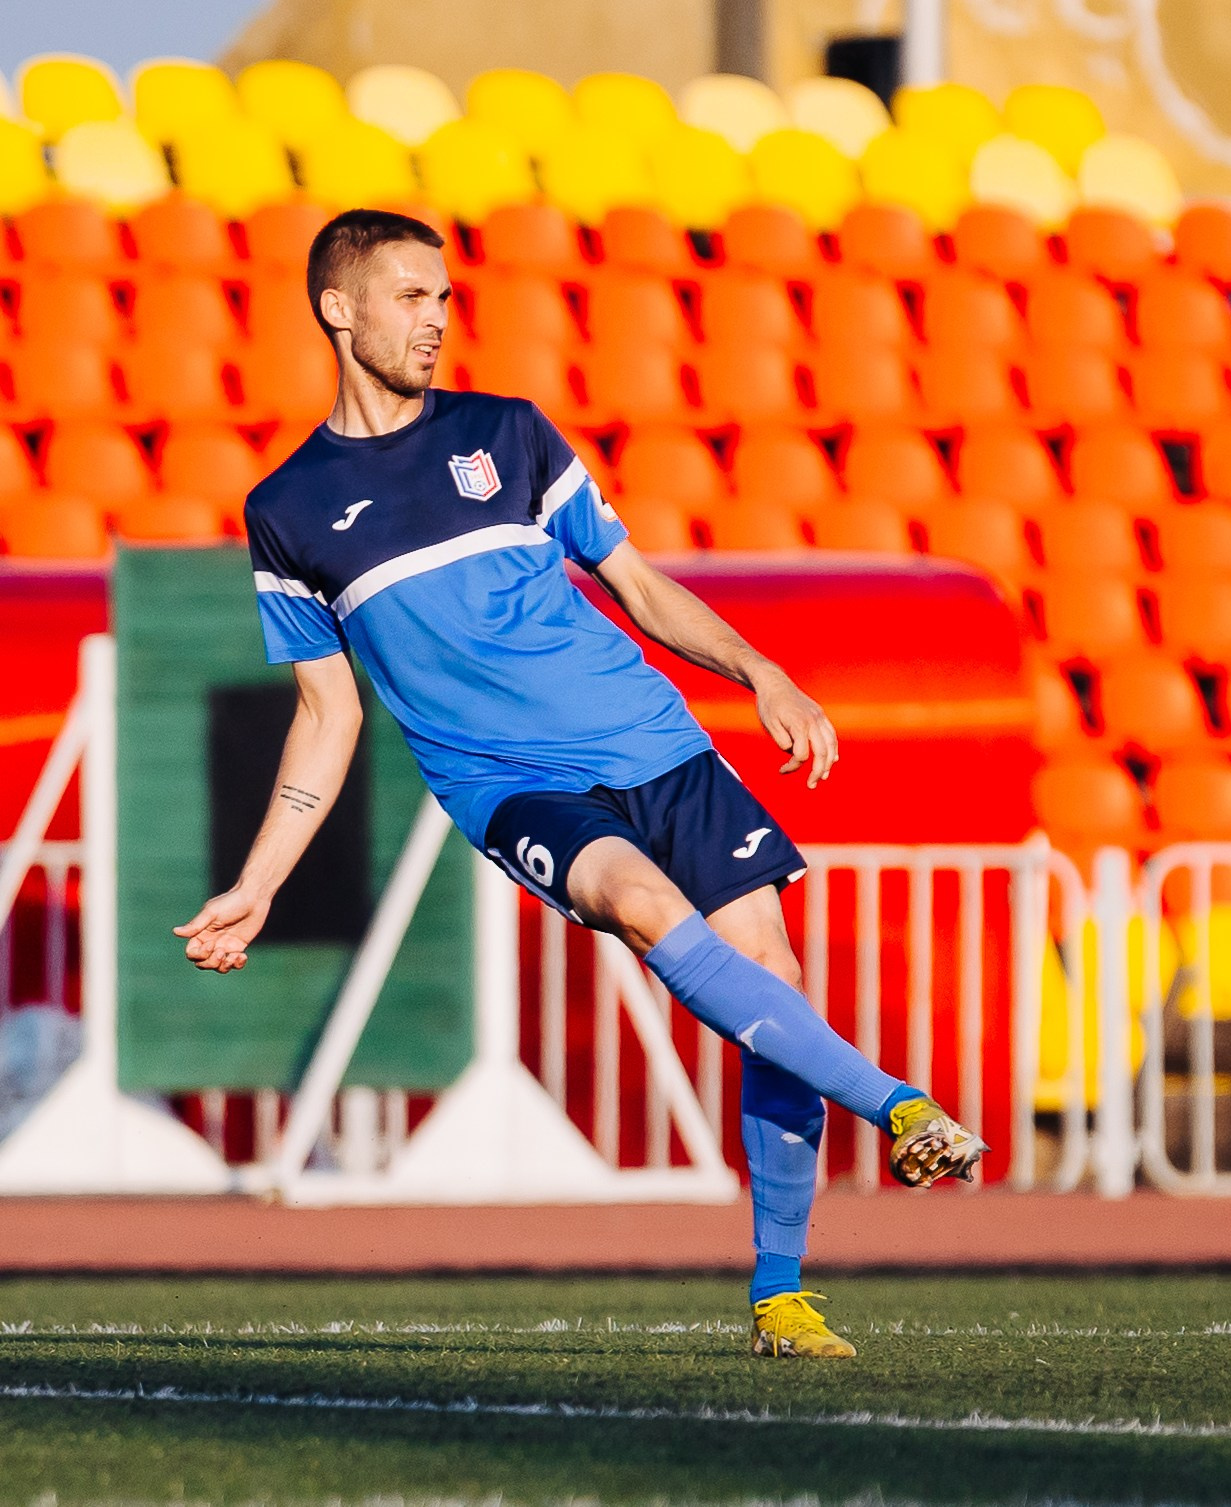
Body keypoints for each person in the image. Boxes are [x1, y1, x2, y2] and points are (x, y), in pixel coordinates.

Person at [173, 208, 982, 1359]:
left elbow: (640, 586)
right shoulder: (289, 510)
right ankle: (897, 1104)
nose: (437, 320)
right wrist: (259, 882)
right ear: (336, 309)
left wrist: (761, 672)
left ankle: (781, 1296)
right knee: (644, 908)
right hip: (511, 788)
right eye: (411, 296)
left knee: (774, 979)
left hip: (657, 744)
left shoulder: (510, 433)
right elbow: (326, 711)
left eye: (445, 298)